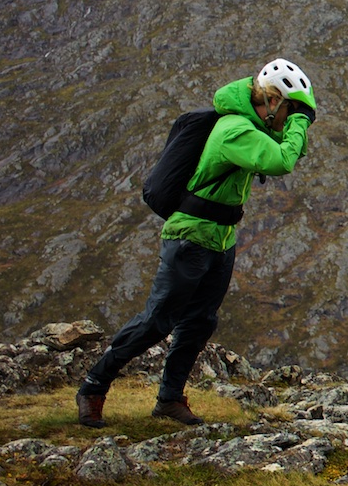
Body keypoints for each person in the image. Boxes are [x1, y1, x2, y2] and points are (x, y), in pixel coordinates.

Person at [76, 59, 317, 426]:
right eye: (290, 108)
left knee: (199, 322)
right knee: (157, 321)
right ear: (271, 101)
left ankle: (169, 399)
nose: (291, 118)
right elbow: (283, 160)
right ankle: (93, 387)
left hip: (220, 239)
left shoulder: (253, 127)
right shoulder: (236, 130)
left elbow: (289, 151)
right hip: (190, 236)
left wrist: (296, 118)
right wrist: (302, 119)